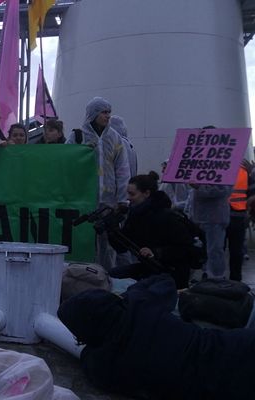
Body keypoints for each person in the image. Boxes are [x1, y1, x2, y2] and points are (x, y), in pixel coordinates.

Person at [58, 274, 255, 400]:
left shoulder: (103, 365)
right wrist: (128, 296)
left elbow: (88, 358)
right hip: (234, 348)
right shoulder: (139, 306)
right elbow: (164, 281)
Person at [67, 97, 130, 271]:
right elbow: (66, 163)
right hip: (84, 200)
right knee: (84, 240)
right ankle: (84, 275)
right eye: (104, 112)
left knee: (108, 245)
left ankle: (107, 277)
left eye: (109, 112)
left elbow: (122, 169)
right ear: (93, 114)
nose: (107, 116)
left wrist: (123, 199)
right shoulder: (77, 136)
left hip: (108, 202)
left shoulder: (115, 138)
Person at [107, 173, 196, 288]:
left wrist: (156, 252)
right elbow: (122, 247)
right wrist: (112, 228)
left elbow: (186, 249)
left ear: (147, 193)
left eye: (132, 194)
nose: (128, 198)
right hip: (150, 268)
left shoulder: (166, 216)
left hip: (172, 273)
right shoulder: (136, 214)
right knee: (111, 276)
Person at [226, 159, 255, 281]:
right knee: (233, 250)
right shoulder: (244, 170)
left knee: (229, 250)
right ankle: (234, 279)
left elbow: (252, 193)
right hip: (234, 215)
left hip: (232, 216)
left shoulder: (244, 170)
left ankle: (226, 280)